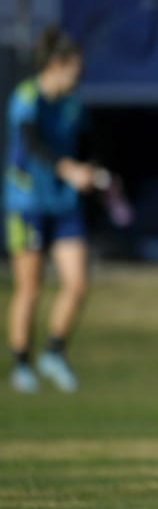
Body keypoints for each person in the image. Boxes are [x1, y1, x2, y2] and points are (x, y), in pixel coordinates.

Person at [6, 27, 114, 393]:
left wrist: (97, 172)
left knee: (77, 283)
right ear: (57, 65)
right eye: (75, 68)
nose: (79, 75)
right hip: (27, 203)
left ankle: (54, 351)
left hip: (64, 204)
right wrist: (68, 169)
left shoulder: (73, 104)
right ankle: (21, 363)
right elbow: (33, 144)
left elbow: (90, 144)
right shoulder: (27, 97)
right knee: (30, 288)